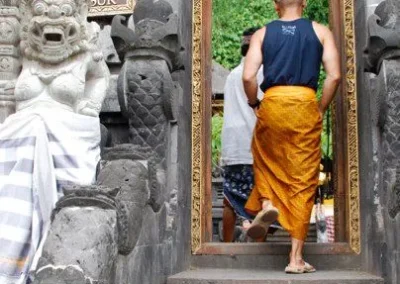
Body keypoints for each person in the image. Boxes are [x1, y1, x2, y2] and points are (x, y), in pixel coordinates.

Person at [242, 0, 341, 273]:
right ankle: (295, 259)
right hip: (305, 103)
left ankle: (267, 202)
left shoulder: (262, 34)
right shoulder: (321, 32)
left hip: (273, 102)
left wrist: (255, 104)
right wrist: (320, 107)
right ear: (305, 2)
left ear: (276, 5)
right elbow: (334, 77)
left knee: (264, 157)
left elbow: (249, 77)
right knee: (303, 179)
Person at [220, 27, 264, 242]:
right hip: (257, 145)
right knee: (264, 199)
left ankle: (227, 244)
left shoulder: (231, 75)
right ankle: (258, 246)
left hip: (233, 145)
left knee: (229, 198)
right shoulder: (263, 73)